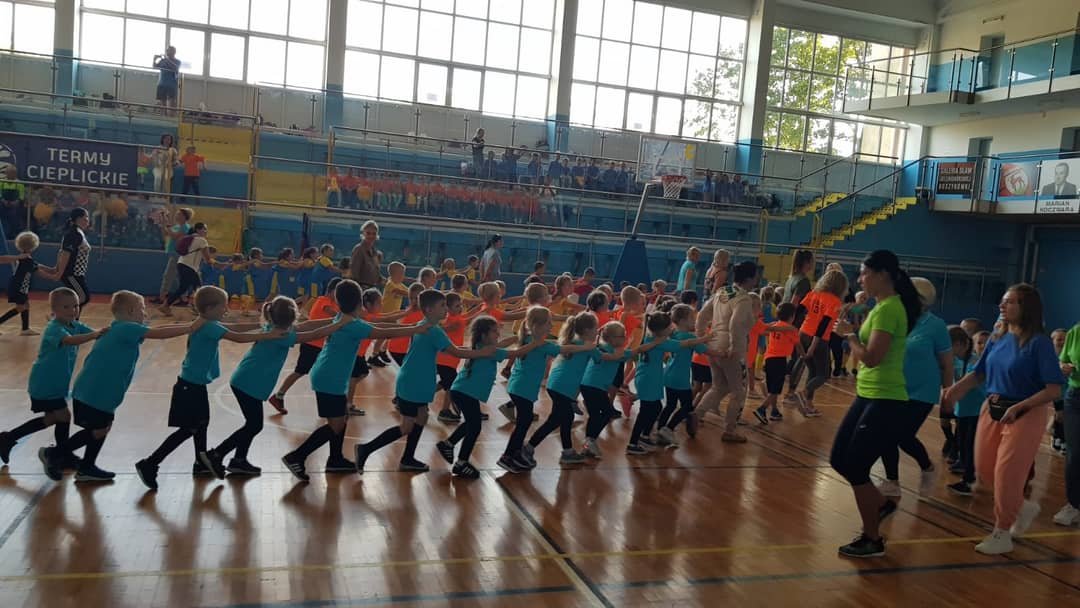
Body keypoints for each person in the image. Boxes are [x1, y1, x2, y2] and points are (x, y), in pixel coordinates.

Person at [944, 284, 1065, 554]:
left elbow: (1053, 390)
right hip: (993, 408)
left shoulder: (1039, 343)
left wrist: (1021, 406)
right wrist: (954, 391)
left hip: (1025, 412)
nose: (1002, 306)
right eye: (1003, 301)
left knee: (1007, 473)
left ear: (1026, 307)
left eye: (1010, 302)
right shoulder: (997, 338)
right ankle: (1021, 507)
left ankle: (1001, 532)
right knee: (985, 470)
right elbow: (979, 373)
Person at [136, 286, 287, 490]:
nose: (226, 310)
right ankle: (150, 463)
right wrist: (268, 335)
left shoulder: (209, 323)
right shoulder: (208, 326)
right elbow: (236, 337)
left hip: (194, 385)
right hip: (189, 387)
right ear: (209, 308)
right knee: (189, 429)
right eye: (223, 306)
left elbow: (233, 328)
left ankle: (200, 463)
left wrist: (261, 326)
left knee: (201, 425)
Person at [282, 281, 432, 481]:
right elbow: (383, 331)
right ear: (359, 303)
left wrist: (412, 326)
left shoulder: (342, 318)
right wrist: (415, 329)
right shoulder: (354, 325)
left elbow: (379, 325)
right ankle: (297, 456)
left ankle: (335, 459)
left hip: (329, 375)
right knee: (335, 424)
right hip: (330, 378)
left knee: (341, 417)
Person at [829, 250, 922, 558]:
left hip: (886, 398)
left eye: (864, 273)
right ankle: (881, 504)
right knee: (839, 459)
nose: (860, 280)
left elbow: (871, 357)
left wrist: (849, 336)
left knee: (855, 466)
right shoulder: (880, 307)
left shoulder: (889, 309)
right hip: (868, 393)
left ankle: (872, 539)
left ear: (882, 275)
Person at [354, 289, 498, 474]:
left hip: (416, 379)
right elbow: (455, 352)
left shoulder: (424, 325)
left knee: (422, 416)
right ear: (429, 309)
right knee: (407, 426)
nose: (446, 309)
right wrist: (482, 352)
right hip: (414, 381)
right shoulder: (433, 330)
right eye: (442, 305)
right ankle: (366, 449)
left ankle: (408, 458)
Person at [62, 291, 197, 481]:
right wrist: (191, 327)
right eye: (142, 309)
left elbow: (158, 328)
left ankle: (86, 467)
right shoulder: (126, 328)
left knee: (103, 428)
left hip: (101, 392)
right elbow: (158, 333)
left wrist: (189, 326)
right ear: (132, 311)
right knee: (98, 430)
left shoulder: (121, 328)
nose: (145, 313)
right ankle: (57, 453)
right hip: (95, 392)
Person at [0, 288, 105, 476]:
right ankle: (59, 455)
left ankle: (9, 438)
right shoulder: (54, 329)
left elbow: (96, 333)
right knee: (63, 416)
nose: (73, 310)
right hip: (44, 383)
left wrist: (112, 332)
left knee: (54, 418)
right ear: (54, 309)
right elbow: (70, 341)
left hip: (57, 384)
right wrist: (94, 335)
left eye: (75, 306)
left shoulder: (75, 325)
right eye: (66, 307)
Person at [877, 278, 953, 501]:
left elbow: (947, 363)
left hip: (922, 391)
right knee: (885, 434)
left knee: (902, 435)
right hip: (893, 387)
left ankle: (927, 467)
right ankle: (892, 482)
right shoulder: (896, 319)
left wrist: (947, 394)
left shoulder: (936, 326)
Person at [696, 261, 759, 443]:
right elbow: (736, 324)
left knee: (719, 387)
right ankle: (730, 430)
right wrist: (734, 346)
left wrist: (701, 336)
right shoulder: (744, 298)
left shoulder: (722, 292)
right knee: (738, 392)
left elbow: (702, 315)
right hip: (731, 348)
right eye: (755, 276)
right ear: (749, 278)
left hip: (714, 344)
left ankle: (697, 414)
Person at [789, 270, 849, 417]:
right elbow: (823, 324)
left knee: (813, 371)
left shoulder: (813, 294)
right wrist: (813, 345)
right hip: (818, 339)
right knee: (823, 374)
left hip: (803, 333)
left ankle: (808, 405)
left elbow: (799, 311)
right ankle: (803, 393)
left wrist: (793, 330)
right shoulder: (834, 301)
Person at [947, 327, 984, 496]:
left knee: (970, 446)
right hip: (962, 410)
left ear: (959, 344)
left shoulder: (974, 362)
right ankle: (965, 467)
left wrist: (949, 394)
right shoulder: (956, 360)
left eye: (948, 346)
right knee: (962, 443)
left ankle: (969, 481)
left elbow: (965, 387)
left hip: (976, 411)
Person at [0, 231, 55, 335]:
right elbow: (38, 272)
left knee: (26, 305)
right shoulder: (26, 260)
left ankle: (25, 329)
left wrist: (51, 270)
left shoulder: (25, 257)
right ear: (33, 245)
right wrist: (53, 277)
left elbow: (37, 265)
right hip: (19, 287)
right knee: (21, 307)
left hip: (19, 286)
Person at [159, 223, 214, 316]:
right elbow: (207, 259)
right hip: (190, 267)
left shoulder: (190, 238)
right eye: (204, 229)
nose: (206, 231)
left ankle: (166, 305)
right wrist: (217, 264)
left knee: (184, 288)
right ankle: (201, 309)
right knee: (198, 288)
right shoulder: (202, 240)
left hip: (181, 264)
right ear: (198, 230)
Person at [1055, 322, 1080, 526]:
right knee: (1075, 453)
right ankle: (1074, 504)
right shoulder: (1075, 332)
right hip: (1075, 397)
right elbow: (1062, 361)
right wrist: (1063, 367)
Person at [55, 208, 92, 311]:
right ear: (79, 219)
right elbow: (65, 253)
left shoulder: (79, 232)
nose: (88, 220)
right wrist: (59, 272)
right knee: (83, 298)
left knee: (79, 299)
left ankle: (71, 319)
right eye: (86, 217)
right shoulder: (74, 234)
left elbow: (61, 252)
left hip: (77, 273)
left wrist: (57, 267)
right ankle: (59, 315)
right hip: (71, 273)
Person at [156, 207, 194, 304]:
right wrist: (163, 222)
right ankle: (182, 298)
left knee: (169, 275)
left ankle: (163, 297)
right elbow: (165, 234)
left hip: (179, 254)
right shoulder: (177, 226)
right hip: (175, 253)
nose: (177, 216)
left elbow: (174, 236)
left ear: (185, 217)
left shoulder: (185, 227)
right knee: (177, 277)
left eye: (179, 214)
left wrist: (168, 225)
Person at [349, 220, 382, 289]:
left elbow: (375, 274)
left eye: (374, 233)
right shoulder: (359, 249)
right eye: (368, 233)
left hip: (372, 289)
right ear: (363, 234)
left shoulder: (376, 253)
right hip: (361, 289)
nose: (371, 236)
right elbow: (354, 273)